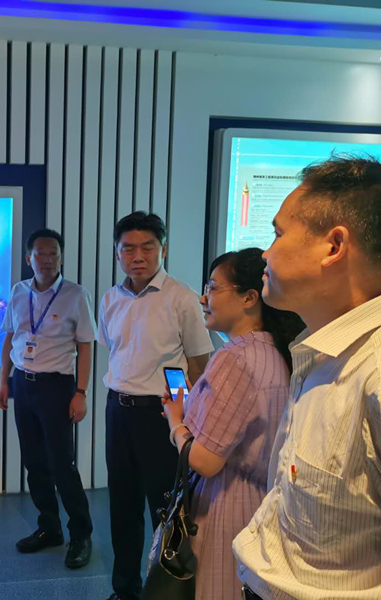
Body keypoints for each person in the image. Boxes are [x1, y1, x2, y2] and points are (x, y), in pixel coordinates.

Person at [233, 155, 381, 600]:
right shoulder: (318, 353)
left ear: (333, 246)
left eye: (278, 234)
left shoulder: (373, 373)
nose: (265, 253)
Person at [161, 248, 305, 600]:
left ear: (249, 298)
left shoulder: (234, 358)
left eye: (213, 287)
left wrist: (176, 421)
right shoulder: (275, 350)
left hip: (224, 506)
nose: (203, 298)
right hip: (260, 502)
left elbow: (205, 460)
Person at [97, 211, 214, 600]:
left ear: (163, 249)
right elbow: (116, 353)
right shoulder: (110, 298)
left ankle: (166, 592)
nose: (138, 256)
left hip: (162, 415)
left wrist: (188, 417)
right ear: (117, 253)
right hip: (118, 410)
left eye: (147, 247)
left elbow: (198, 365)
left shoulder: (181, 297)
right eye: (128, 248)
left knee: (166, 508)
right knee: (122, 504)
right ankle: (125, 589)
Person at [0, 228, 96, 569]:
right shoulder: (18, 291)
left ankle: (80, 535)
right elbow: (11, 338)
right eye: (41, 253)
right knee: (34, 462)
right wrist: (3, 382)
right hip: (23, 385)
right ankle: (49, 528)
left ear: (61, 257)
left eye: (54, 253)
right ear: (29, 258)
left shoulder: (75, 295)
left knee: (61, 465)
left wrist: (81, 393)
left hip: (57, 387)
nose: (48, 259)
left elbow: (85, 346)